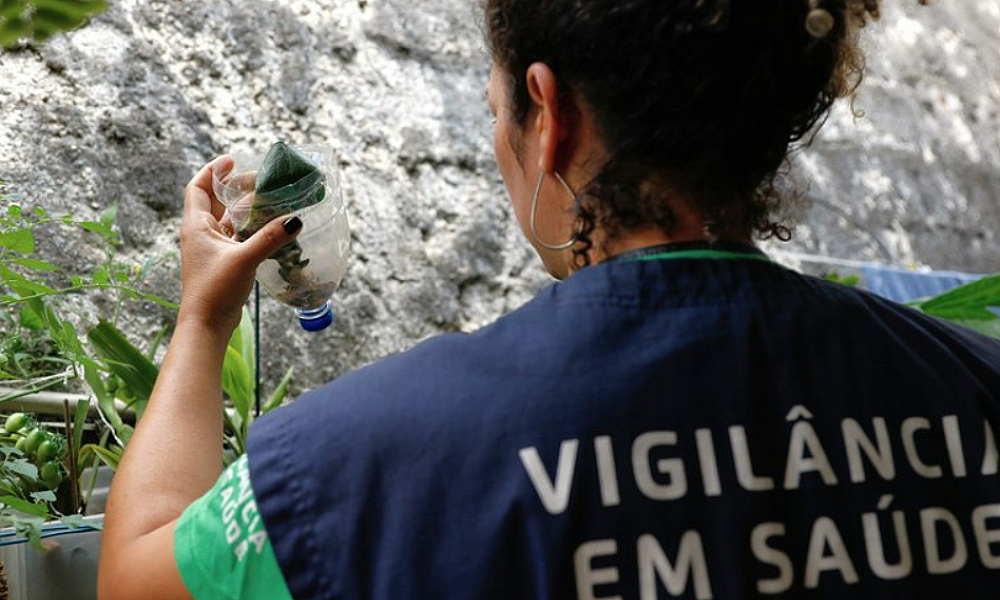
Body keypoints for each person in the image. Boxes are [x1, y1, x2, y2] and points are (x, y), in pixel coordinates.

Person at [98, 0, 1000, 599]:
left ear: (548, 109)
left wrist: (204, 316)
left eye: (500, 111)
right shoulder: (977, 383)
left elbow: (136, 573)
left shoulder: (356, 464)